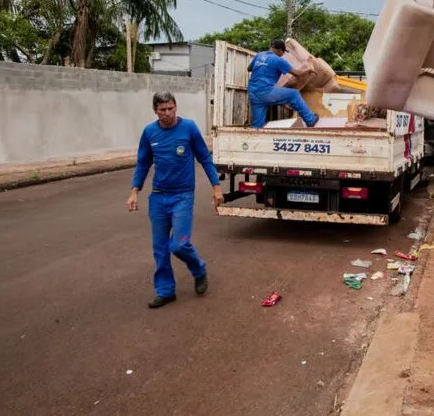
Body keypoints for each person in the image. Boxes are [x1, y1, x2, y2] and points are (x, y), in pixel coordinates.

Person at [126, 91, 224, 309]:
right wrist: (134, 191)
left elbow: (204, 158)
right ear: (155, 111)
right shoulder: (150, 132)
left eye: (171, 108)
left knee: (179, 245)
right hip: (159, 197)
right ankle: (165, 291)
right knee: (160, 248)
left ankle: (198, 269)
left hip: (183, 196)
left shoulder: (188, 128)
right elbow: (143, 163)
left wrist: (216, 187)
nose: (168, 114)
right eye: (163, 110)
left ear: (176, 107)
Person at [247, 39, 319, 128]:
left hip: (253, 93)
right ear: (280, 50)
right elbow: (298, 74)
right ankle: (310, 120)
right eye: (283, 52)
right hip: (265, 92)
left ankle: (253, 138)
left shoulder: (259, 55)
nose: (283, 55)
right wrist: (308, 69)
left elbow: (249, 69)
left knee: (257, 125)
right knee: (293, 94)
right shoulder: (278, 60)